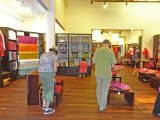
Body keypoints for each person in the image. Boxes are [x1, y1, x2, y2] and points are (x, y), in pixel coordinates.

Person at [92, 39, 116, 111]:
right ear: (108, 44)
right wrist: (112, 68)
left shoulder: (97, 51)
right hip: (106, 74)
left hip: (98, 73)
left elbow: (93, 62)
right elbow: (113, 65)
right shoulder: (111, 52)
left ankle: (100, 104)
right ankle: (102, 106)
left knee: (99, 88)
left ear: (102, 44)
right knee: (104, 90)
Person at [38, 46, 58, 115]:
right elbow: (55, 69)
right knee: (50, 90)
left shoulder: (43, 54)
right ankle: (47, 109)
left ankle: (44, 105)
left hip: (41, 73)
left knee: (45, 88)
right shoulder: (54, 56)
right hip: (49, 73)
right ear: (56, 52)